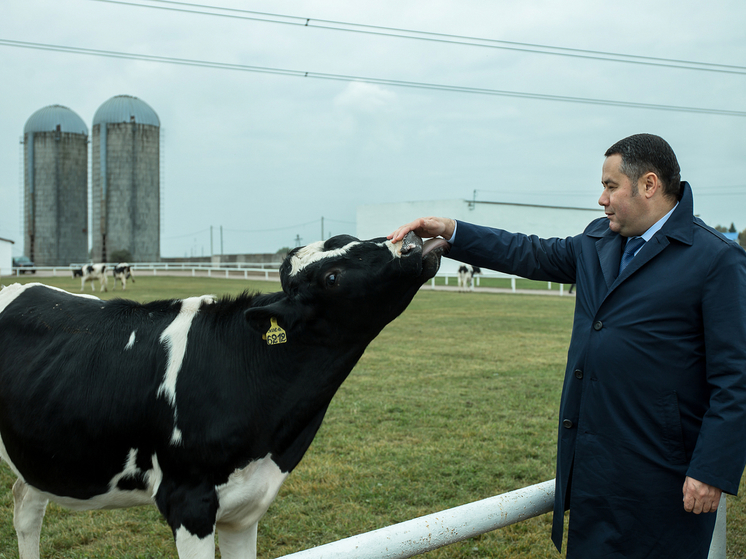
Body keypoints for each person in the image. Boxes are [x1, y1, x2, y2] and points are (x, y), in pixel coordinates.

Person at [388, 134, 746, 558]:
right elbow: (529, 253)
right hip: (595, 467)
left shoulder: (715, 259)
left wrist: (710, 471)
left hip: (664, 476)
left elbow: (736, 378)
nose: (601, 199)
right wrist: (452, 230)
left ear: (649, 185)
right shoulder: (599, 240)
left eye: (611, 187)